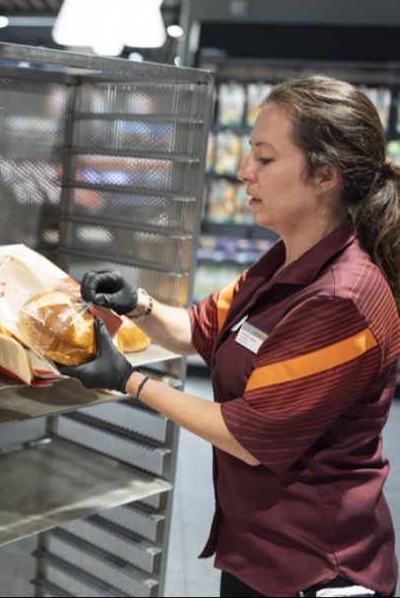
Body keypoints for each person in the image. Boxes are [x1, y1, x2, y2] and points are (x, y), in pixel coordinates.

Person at [61, 75, 400, 597]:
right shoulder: (283, 261)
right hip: (257, 548)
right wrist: (137, 304)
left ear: (325, 175)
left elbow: (249, 437)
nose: (244, 172)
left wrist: (130, 381)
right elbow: (198, 329)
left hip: (314, 565)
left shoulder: (342, 301)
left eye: (265, 159)